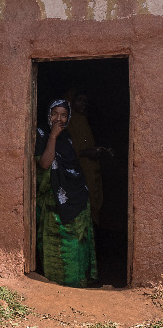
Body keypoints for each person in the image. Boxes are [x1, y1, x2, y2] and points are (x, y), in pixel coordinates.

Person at [35, 99, 98, 287]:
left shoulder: (69, 138)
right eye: (54, 114)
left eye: (63, 115)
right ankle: (55, 282)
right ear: (48, 115)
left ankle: (77, 281)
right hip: (53, 202)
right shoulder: (41, 134)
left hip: (76, 198)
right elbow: (45, 164)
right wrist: (53, 137)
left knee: (77, 245)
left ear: (68, 117)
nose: (58, 119)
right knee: (54, 248)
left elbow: (74, 169)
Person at [67, 90, 112, 226]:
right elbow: (67, 150)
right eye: (79, 100)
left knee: (93, 203)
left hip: (90, 169)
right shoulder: (68, 120)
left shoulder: (82, 119)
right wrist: (87, 153)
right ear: (71, 100)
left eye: (85, 102)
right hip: (78, 171)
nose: (83, 104)